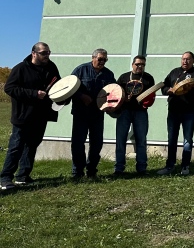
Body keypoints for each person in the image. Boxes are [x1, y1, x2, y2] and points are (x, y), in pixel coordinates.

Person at [1, 43, 60, 190]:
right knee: (16, 146)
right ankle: (5, 178)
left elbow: (58, 85)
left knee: (32, 145)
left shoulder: (51, 68)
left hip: (41, 115)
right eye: (43, 53)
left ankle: (23, 176)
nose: (47, 56)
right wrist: (34, 94)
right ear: (34, 53)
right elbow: (9, 88)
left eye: (48, 53)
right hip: (23, 115)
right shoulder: (21, 68)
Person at [158, 51, 194, 176]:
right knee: (172, 138)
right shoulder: (174, 72)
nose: (185, 61)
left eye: (188, 59)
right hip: (173, 111)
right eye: (183, 59)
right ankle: (170, 166)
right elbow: (164, 85)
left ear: (193, 61)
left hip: (189, 111)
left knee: (187, 139)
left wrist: (191, 87)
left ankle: (185, 166)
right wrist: (168, 90)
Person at [70, 48, 115, 179]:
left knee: (97, 143)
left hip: (98, 114)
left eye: (105, 60)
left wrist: (112, 105)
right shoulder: (80, 70)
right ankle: (77, 172)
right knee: (78, 143)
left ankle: (91, 171)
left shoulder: (108, 74)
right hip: (81, 113)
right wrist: (81, 96)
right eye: (100, 59)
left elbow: (114, 91)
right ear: (93, 58)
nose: (102, 62)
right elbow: (69, 88)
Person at [114, 55, 155, 176]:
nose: (140, 66)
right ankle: (119, 168)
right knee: (120, 140)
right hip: (124, 112)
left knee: (141, 140)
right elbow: (116, 92)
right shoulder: (124, 77)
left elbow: (151, 96)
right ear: (132, 64)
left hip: (140, 112)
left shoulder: (148, 78)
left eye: (142, 64)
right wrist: (123, 99)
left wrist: (146, 103)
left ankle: (141, 168)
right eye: (138, 64)